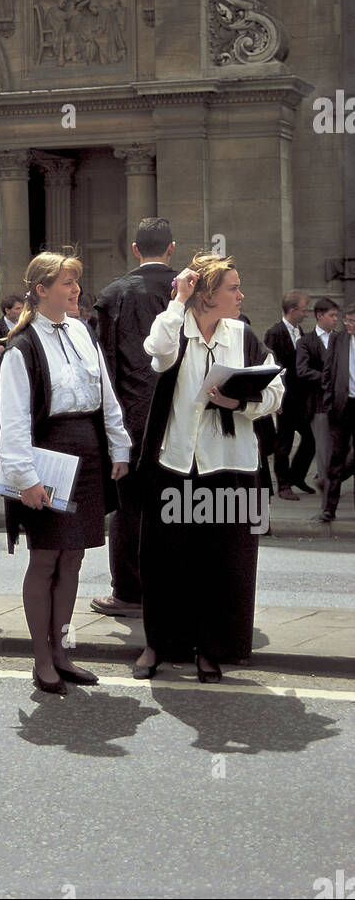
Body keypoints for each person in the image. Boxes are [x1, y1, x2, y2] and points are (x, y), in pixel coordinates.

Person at [133, 254, 284, 684]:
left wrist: (237, 402)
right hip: (175, 463)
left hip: (229, 467)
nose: (241, 295)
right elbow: (157, 355)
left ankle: (210, 649)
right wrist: (177, 301)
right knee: (163, 561)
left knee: (218, 564)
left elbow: (276, 390)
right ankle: (158, 645)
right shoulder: (174, 328)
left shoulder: (243, 335)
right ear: (207, 294)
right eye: (233, 288)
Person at [0, 250, 130, 694]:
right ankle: (42, 659)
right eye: (67, 284)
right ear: (41, 291)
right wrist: (25, 479)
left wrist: (119, 446)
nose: (76, 291)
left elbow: (106, 396)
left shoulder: (82, 330)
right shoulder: (22, 347)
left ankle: (62, 652)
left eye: (76, 282)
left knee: (73, 557)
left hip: (88, 454)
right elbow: (13, 421)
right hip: (47, 456)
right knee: (47, 557)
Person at [91, 216, 176, 617]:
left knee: (129, 511)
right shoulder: (190, 292)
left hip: (130, 420)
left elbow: (103, 366)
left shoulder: (113, 295)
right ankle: (174, 587)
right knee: (178, 507)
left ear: (136, 250)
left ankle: (128, 591)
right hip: (180, 420)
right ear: (171, 248)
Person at [264, 291, 315, 500]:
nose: (306, 313)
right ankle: (284, 485)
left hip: (301, 399)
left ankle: (296, 476)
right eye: (304, 310)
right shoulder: (275, 333)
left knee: (311, 438)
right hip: (286, 399)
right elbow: (272, 366)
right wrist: (277, 398)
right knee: (283, 443)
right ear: (292, 310)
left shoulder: (299, 331)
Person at [296, 299, 341, 512]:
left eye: (336, 316)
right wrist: (328, 379)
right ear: (319, 316)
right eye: (332, 316)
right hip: (319, 406)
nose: (335, 320)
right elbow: (302, 370)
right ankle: (326, 503)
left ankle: (329, 483)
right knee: (324, 453)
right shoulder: (306, 342)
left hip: (341, 405)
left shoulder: (342, 339)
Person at [320, 303, 355, 524]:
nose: (347, 324)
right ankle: (329, 509)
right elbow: (327, 373)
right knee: (337, 458)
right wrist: (329, 402)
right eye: (347, 320)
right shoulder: (338, 340)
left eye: (352, 321)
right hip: (342, 406)